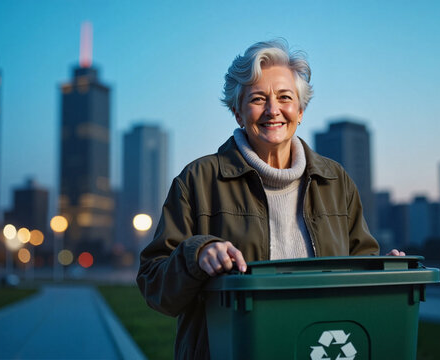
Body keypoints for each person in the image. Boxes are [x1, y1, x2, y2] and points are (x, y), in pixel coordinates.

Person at [137, 39, 405, 359]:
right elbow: (154, 285)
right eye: (258, 98)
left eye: (284, 98)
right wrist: (197, 254)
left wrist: (385, 271)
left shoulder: (336, 182)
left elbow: (361, 273)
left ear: (301, 111)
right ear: (238, 112)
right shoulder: (198, 181)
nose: (272, 109)